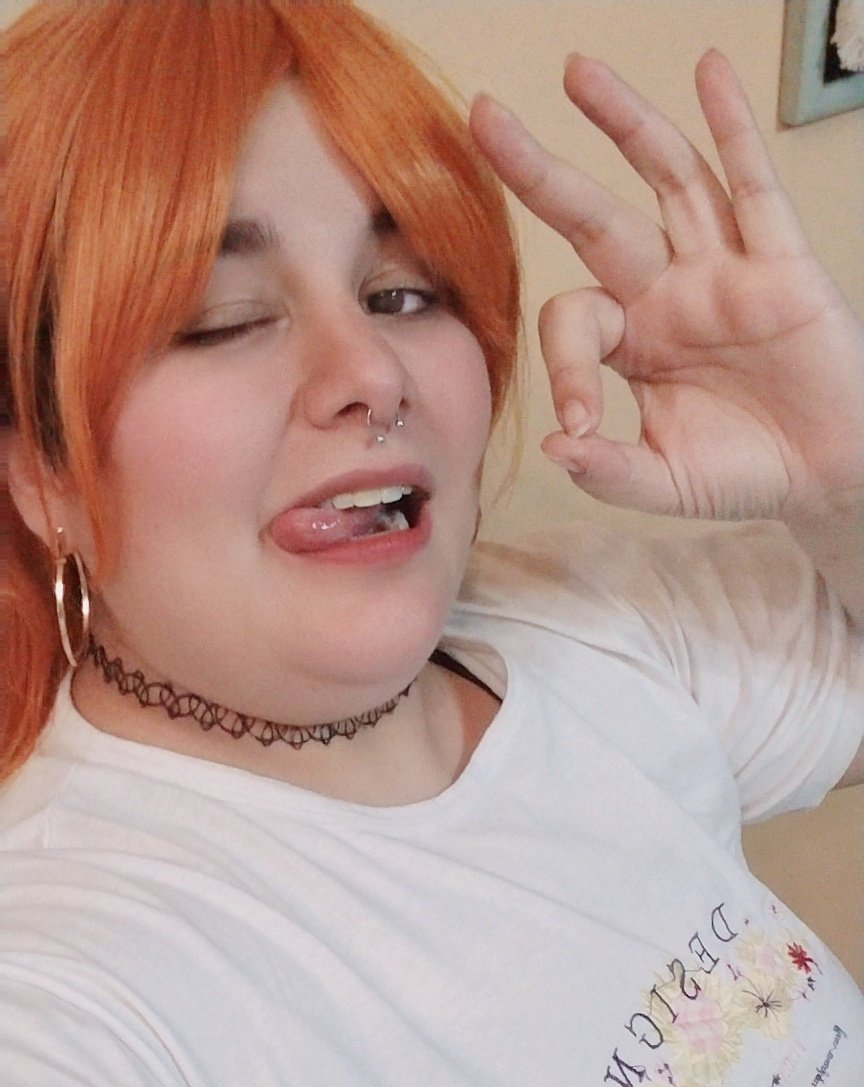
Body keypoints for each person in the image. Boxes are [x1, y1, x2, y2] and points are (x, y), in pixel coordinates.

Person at [1, 2, 862, 1084]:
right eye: (223, 318)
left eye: (402, 294)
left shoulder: (587, 627)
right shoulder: (67, 983)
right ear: (44, 470)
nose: (371, 371)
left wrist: (847, 479)